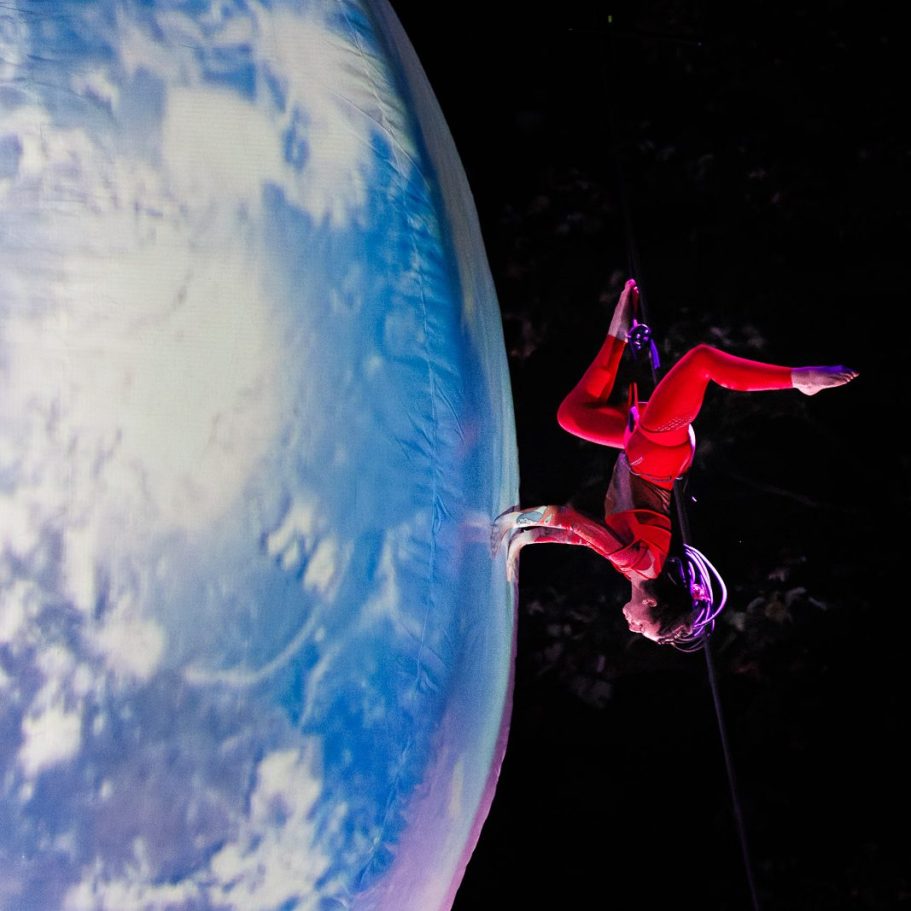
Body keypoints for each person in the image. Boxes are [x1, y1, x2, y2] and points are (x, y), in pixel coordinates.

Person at [492, 278, 858, 648]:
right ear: (651, 603)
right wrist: (513, 521)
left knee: (573, 417)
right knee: (702, 361)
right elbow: (569, 518)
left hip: (642, 452)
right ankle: (802, 379)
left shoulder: (633, 568)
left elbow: (577, 538)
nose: (633, 629)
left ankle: (618, 334)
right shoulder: (639, 566)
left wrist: (525, 541)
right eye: (643, 628)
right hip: (656, 454)